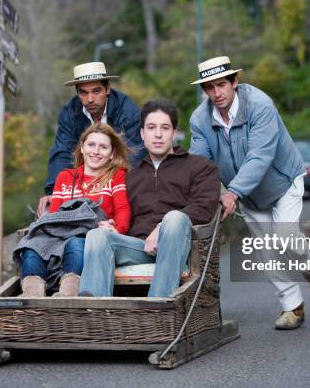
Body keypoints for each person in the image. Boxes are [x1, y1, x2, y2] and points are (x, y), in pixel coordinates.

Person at [189, 56, 310, 330]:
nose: (217, 93)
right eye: (210, 87)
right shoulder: (199, 119)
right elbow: (200, 164)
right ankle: (293, 307)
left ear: (235, 82)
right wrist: (205, 196)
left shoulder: (261, 105)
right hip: (249, 195)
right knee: (267, 252)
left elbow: (260, 156)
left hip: (283, 182)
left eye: (222, 85)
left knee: (286, 236)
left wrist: (233, 192)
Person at [79, 99, 220, 297]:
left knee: (175, 218)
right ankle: (93, 315)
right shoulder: (130, 175)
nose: (158, 134)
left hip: (179, 246)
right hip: (138, 248)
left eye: (165, 128)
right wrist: (113, 226)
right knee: (97, 235)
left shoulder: (199, 166)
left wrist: (162, 226)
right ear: (142, 134)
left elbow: (205, 207)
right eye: (151, 128)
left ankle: (159, 306)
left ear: (174, 133)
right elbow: (120, 211)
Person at [16, 123, 132, 297]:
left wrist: (117, 229)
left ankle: (67, 294)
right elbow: (54, 215)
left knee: (75, 243)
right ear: (82, 148)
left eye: (103, 147)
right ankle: (33, 295)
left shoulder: (115, 176)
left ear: (112, 154)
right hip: (60, 233)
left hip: (88, 233)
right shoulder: (65, 177)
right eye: (91, 145)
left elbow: (122, 208)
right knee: (32, 245)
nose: (96, 151)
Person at [37, 61, 146, 215]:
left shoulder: (128, 111)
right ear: (77, 93)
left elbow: (135, 155)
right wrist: (55, 192)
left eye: (96, 91)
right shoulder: (70, 112)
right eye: (83, 92)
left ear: (107, 89)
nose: (90, 99)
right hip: (85, 182)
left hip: (121, 180)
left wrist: (112, 187)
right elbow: (62, 152)